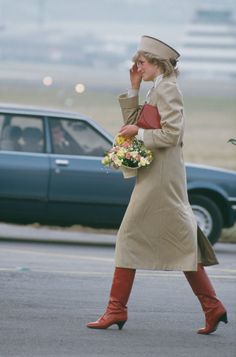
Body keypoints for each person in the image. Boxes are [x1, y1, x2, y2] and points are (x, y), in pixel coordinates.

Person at [87, 35, 228, 334]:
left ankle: (116, 310)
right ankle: (212, 307)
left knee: (130, 237)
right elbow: (133, 125)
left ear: (157, 63)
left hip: (162, 180)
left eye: (141, 62)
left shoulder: (168, 90)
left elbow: (171, 135)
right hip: (157, 177)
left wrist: (138, 133)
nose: (137, 66)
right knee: (182, 242)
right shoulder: (156, 89)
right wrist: (134, 89)